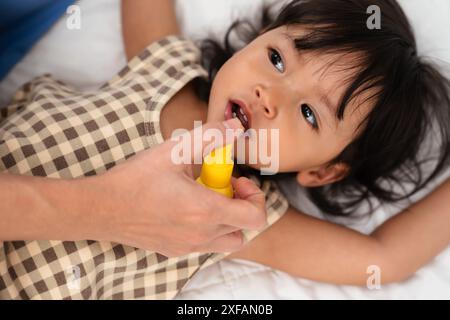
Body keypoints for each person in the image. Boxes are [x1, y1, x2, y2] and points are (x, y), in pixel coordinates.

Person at [0, 0, 449, 299]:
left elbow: (384, 258)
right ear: (258, 38)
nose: (268, 94)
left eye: (310, 114)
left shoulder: (240, 218)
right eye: (276, 59)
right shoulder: (165, 66)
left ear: (324, 171)